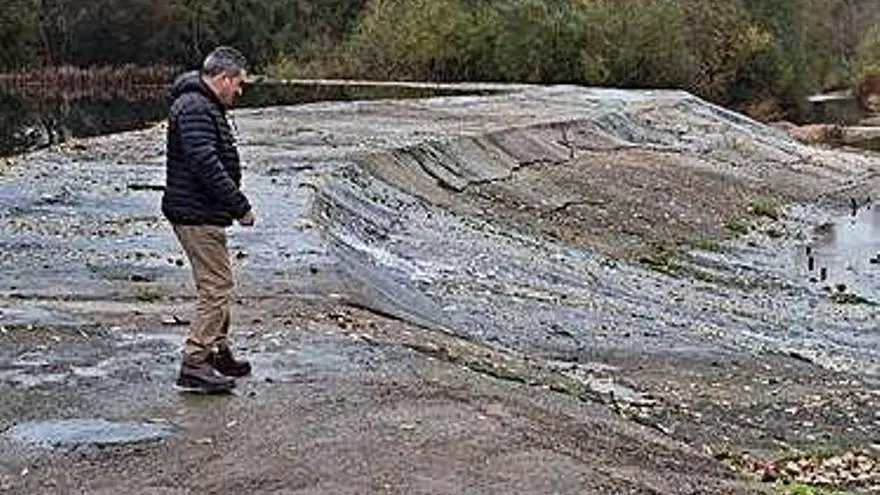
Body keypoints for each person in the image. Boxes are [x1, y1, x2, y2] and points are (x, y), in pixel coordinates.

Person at [161, 46, 255, 393]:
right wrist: (239, 205)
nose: (239, 91)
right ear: (224, 78)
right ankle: (195, 362)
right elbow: (205, 164)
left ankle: (218, 351)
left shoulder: (202, 105)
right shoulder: (195, 107)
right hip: (195, 212)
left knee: (217, 282)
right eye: (238, 83)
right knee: (216, 287)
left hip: (201, 210)